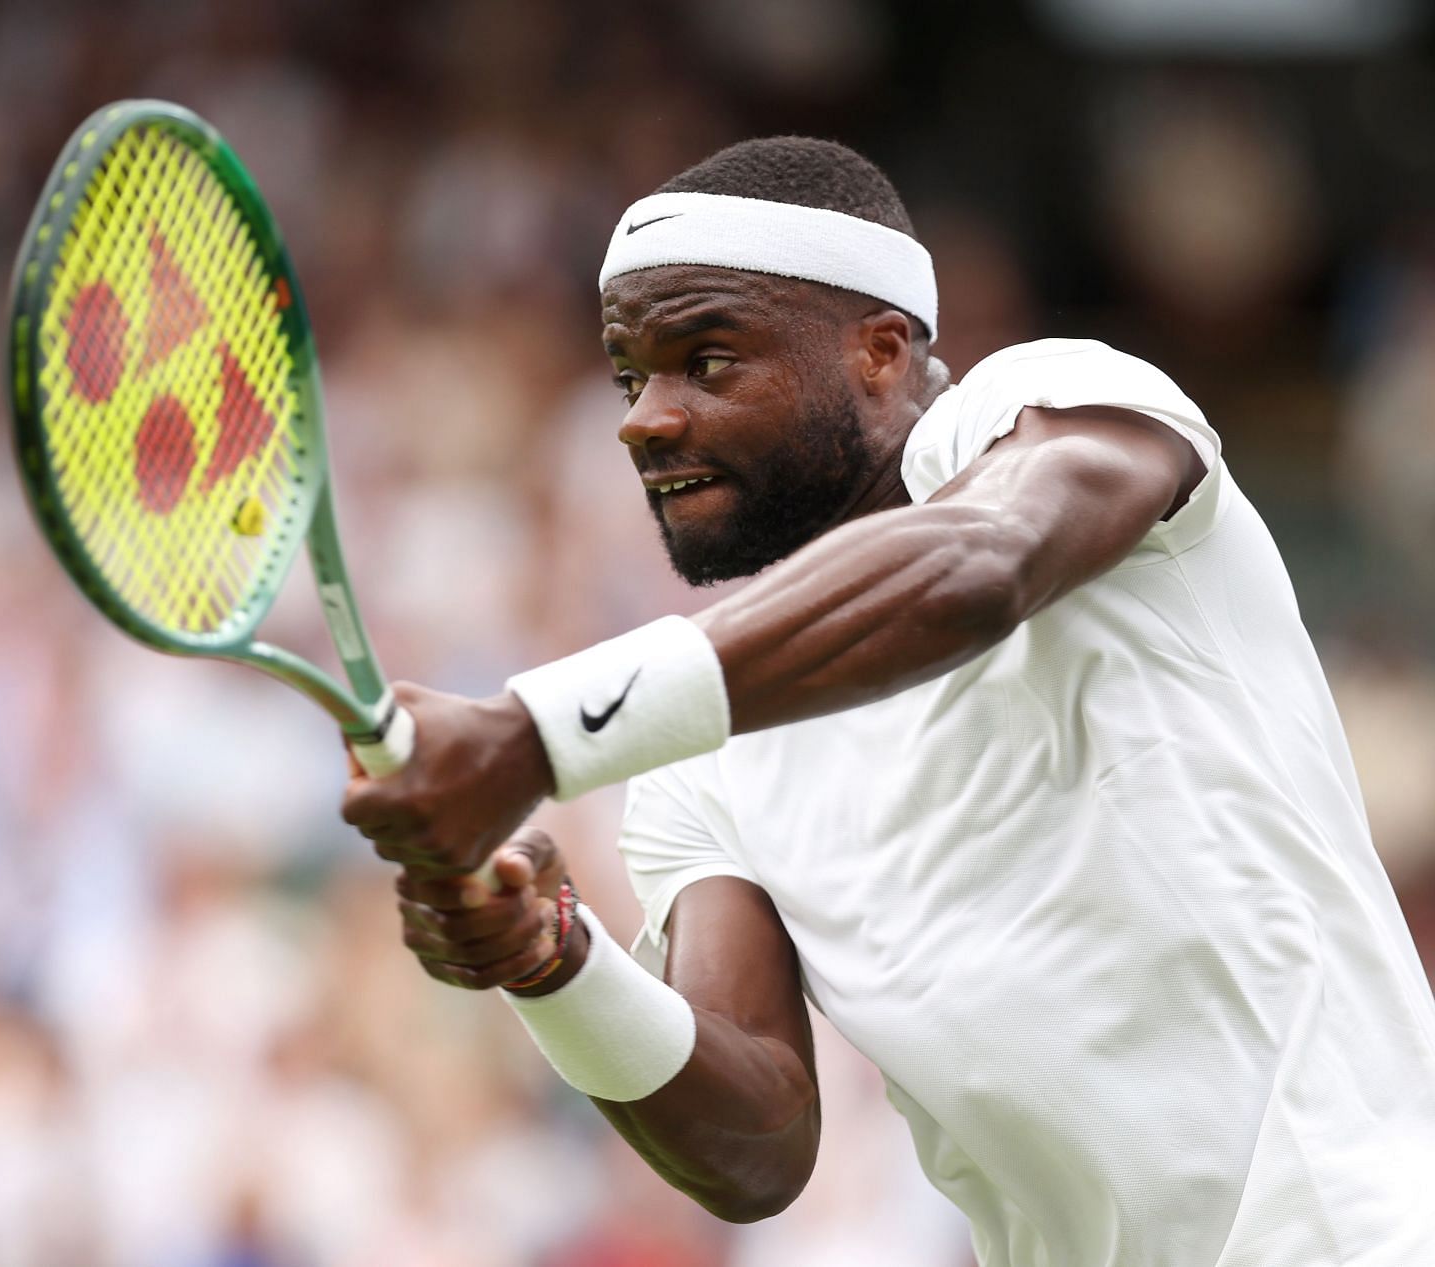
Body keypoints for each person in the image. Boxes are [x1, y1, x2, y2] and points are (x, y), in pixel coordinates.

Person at [340, 136, 1435, 1265]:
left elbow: (980, 563)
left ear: (880, 352)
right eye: (631, 376)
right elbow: (758, 1142)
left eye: (706, 361)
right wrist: (551, 960)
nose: (642, 418)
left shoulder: (1045, 400)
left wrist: (533, 731)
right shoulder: (696, 759)